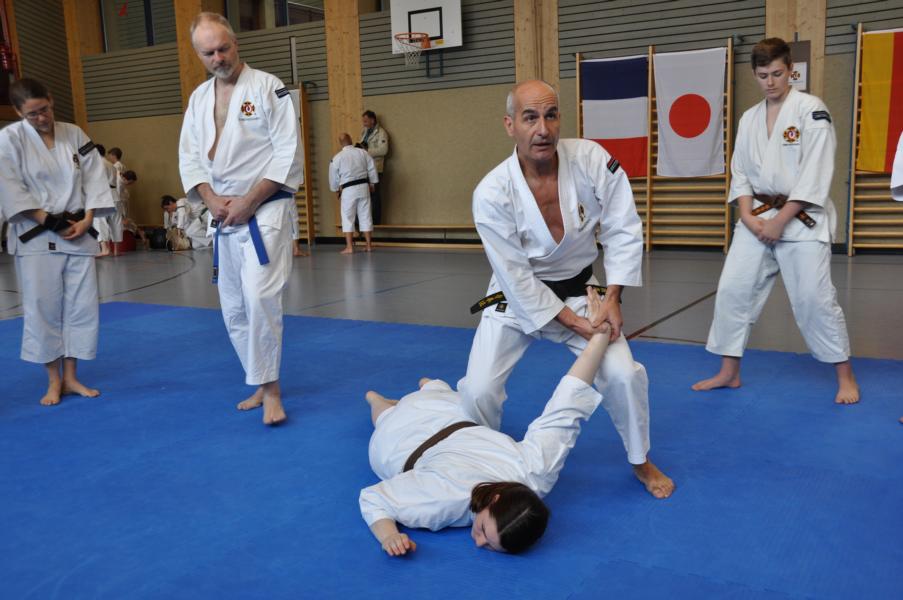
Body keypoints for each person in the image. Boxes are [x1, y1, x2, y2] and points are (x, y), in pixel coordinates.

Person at [456, 79, 674, 499]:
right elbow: (515, 276)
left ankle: (640, 460)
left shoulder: (591, 160)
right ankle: (478, 460)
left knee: (624, 374)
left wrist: (613, 298)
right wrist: (573, 323)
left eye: (551, 115)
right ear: (510, 125)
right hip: (514, 297)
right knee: (479, 388)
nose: (543, 129)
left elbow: (623, 227)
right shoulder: (492, 192)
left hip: (581, 288)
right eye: (530, 118)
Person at [360, 288, 613, 557]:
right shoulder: (442, 501)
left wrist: (390, 536)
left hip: (429, 427)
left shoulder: (537, 474)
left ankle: (381, 399)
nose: (479, 542)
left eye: (490, 544)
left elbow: (566, 407)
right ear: (495, 499)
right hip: (416, 432)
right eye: (482, 530)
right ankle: (409, 393)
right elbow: (373, 498)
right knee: (411, 408)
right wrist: (601, 335)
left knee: (389, 411)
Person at [692, 38, 859, 405]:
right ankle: (729, 371)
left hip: (801, 218)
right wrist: (746, 215)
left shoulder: (811, 111)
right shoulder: (748, 118)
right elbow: (740, 172)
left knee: (814, 299)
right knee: (734, 290)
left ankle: (845, 375)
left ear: (791, 71)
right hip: (756, 217)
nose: (770, 82)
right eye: (763, 75)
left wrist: (780, 221)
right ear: (755, 74)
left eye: (778, 74)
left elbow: (816, 173)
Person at [178, 12, 302, 426]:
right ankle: (260, 381)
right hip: (222, 214)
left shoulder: (268, 87)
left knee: (260, 296)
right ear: (199, 55)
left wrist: (248, 201)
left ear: (236, 44)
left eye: (223, 48)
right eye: (208, 52)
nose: (218, 57)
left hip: (264, 208)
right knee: (233, 305)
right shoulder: (198, 98)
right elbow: (190, 158)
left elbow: (287, 152)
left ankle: (273, 392)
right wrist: (210, 199)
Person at [0, 78, 115, 405]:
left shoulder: (74, 133)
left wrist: (89, 219)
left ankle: (71, 377)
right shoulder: (9, 139)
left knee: (81, 307)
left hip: (78, 231)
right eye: (32, 114)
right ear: (19, 112)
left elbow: (95, 177)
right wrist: (51, 223)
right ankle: (53, 380)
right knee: (43, 308)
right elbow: (10, 188)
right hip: (37, 236)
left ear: (51, 100)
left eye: (45, 109)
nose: (41, 118)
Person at [329, 132, 378, 254]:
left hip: (348, 189)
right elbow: (372, 168)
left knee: (347, 217)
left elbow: (333, 176)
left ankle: (350, 247)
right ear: (351, 139)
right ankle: (368, 245)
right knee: (365, 215)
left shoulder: (337, 158)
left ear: (340, 143)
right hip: (363, 187)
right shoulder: (363, 153)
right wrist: (372, 183)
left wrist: (336, 189)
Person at [359, 110, 388, 224]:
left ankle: (376, 221)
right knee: (366, 195)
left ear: (372, 120)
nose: (364, 123)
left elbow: (384, 150)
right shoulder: (364, 132)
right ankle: (366, 221)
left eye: (366, 121)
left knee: (375, 195)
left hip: (376, 168)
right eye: (363, 121)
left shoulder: (381, 133)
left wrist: (367, 151)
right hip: (364, 168)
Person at [92, 144, 118, 258]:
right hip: (113, 194)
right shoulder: (111, 164)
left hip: (102, 193)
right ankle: (113, 249)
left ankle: (105, 248)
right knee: (114, 222)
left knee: (99, 220)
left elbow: (95, 180)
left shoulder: (98, 163)